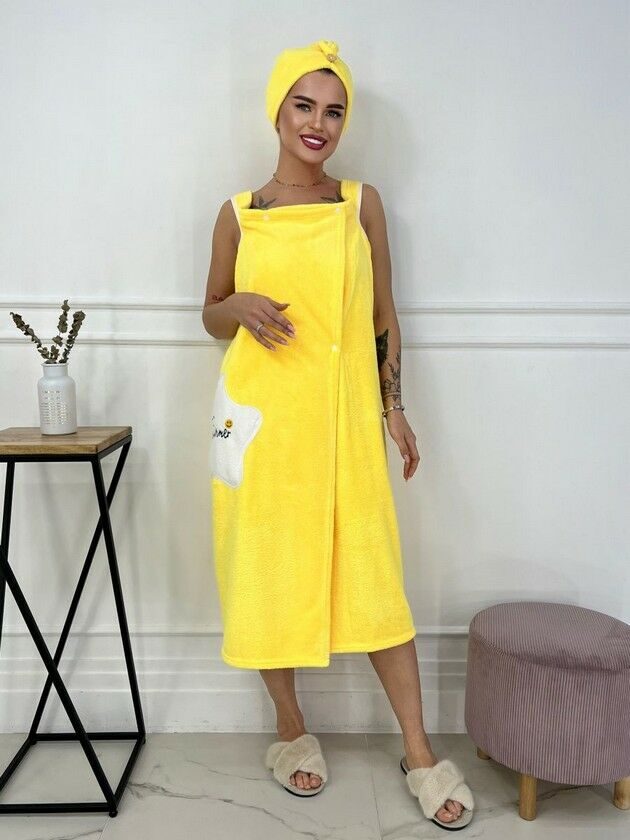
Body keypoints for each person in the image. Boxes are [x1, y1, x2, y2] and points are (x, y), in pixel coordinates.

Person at [202, 40, 474, 830]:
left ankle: (418, 752)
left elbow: (384, 314)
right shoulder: (238, 213)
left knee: (375, 579)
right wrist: (237, 307)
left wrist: (394, 408)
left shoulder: (361, 204)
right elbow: (210, 311)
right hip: (262, 424)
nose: (318, 123)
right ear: (277, 111)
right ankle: (291, 729)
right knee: (269, 576)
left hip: (347, 422)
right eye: (303, 106)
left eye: (334, 110)